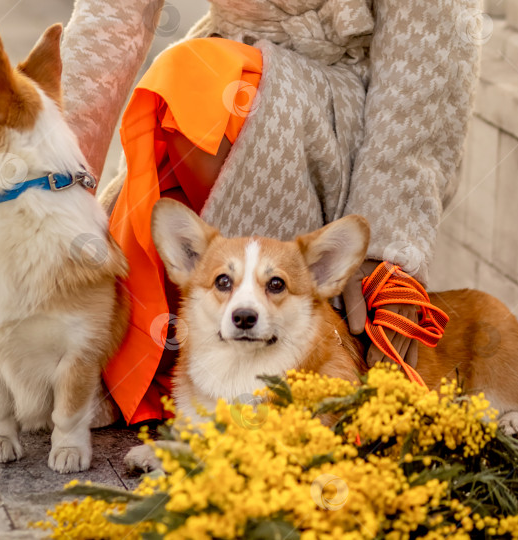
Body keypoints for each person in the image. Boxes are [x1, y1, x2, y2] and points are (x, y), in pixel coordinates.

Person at [60, 0, 482, 425]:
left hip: (353, 109)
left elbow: (430, 51)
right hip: (222, 76)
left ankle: (280, 371)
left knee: (207, 76)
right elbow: (112, 15)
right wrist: (56, 185)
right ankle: (164, 366)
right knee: (191, 84)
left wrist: (391, 240)